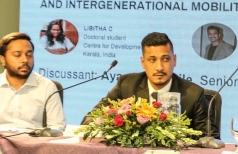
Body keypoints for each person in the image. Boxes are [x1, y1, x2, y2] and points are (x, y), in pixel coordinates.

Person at [82, 32, 218, 138]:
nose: (159, 67)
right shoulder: (126, 85)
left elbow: (210, 138)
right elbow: (90, 119)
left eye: (165, 59)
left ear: (174, 60)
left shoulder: (193, 94)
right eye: (152, 60)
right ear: (143, 62)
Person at [0, 32, 66, 130]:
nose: (25, 60)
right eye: (17, 55)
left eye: (29, 55)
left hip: (33, 144)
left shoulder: (47, 86)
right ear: (3, 59)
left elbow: (57, 126)